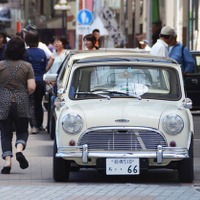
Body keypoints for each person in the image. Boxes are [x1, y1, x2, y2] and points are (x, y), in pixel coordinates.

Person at [0, 37, 36, 174]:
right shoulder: (27, 66)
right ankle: (19, 150)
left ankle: (7, 162)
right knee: (22, 130)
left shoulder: (1, 65)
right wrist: (22, 92)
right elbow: (32, 87)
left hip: (3, 101)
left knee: (5, 133)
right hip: (21, 100)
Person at [25, 31, 47, 134]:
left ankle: (33, 126)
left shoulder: (25, 53)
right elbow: (44, 68)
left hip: (29, 81)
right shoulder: (42, 52)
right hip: (41, 81)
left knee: (31, 104)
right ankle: (40, 125)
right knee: (39, 103)